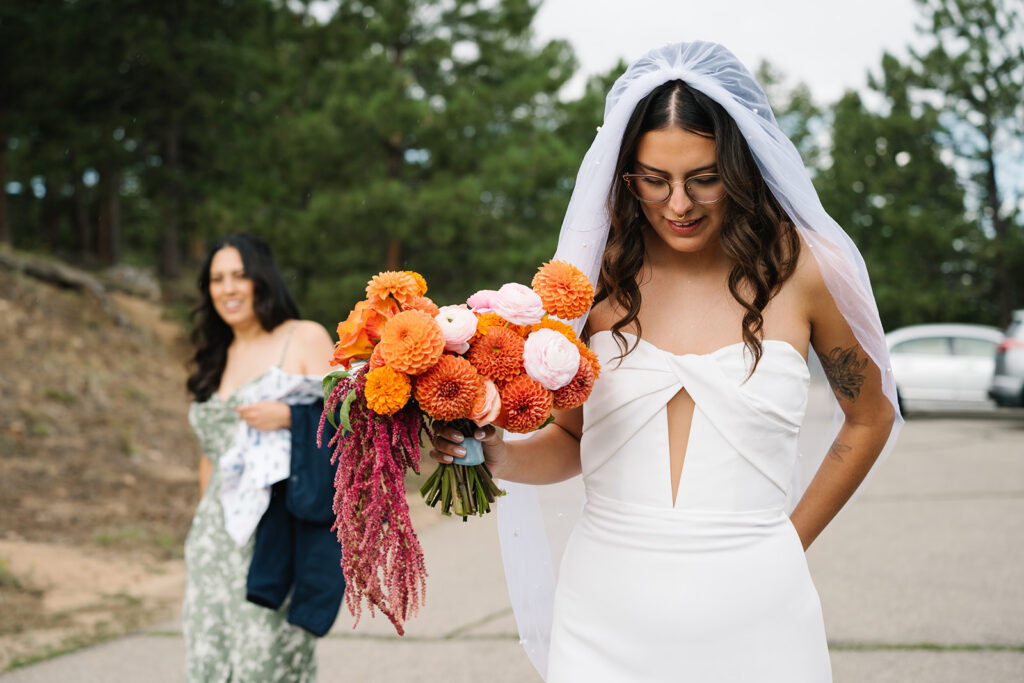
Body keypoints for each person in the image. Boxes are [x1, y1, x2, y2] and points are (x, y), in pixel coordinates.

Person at [429, 42, 901, 682]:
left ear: (742, 165)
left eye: (704, 177)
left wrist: (789, 541)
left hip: (760, 614)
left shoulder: (809, 272)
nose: (678, 204)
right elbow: (572, 438)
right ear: (626, 173)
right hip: (603, 614)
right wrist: (494, 453)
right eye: (654, 179)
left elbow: (870, 416)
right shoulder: (593, 280)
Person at [183, 233, 338, 682]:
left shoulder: (302, 338)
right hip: (214, 541)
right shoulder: (216, 355)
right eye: (216, 279)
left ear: (262, 280)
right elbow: (210, 458)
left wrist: (292, 416)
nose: (227, 288)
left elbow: (351, 430)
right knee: (211, 660)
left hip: (277, 534)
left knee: (267, 664)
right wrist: (202, 528)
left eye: (239, 275)